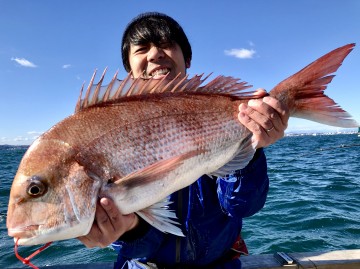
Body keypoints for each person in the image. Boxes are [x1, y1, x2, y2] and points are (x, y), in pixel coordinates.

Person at [78, 12, 289, 268]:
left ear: (187, 59)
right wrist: (129, 229)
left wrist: (252, 146)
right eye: (142, 48)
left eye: (166, 44)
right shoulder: (106, 130)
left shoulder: (218, 116)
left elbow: (242, 206)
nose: (155, 54)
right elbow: (141, 248)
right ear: (129, 70)